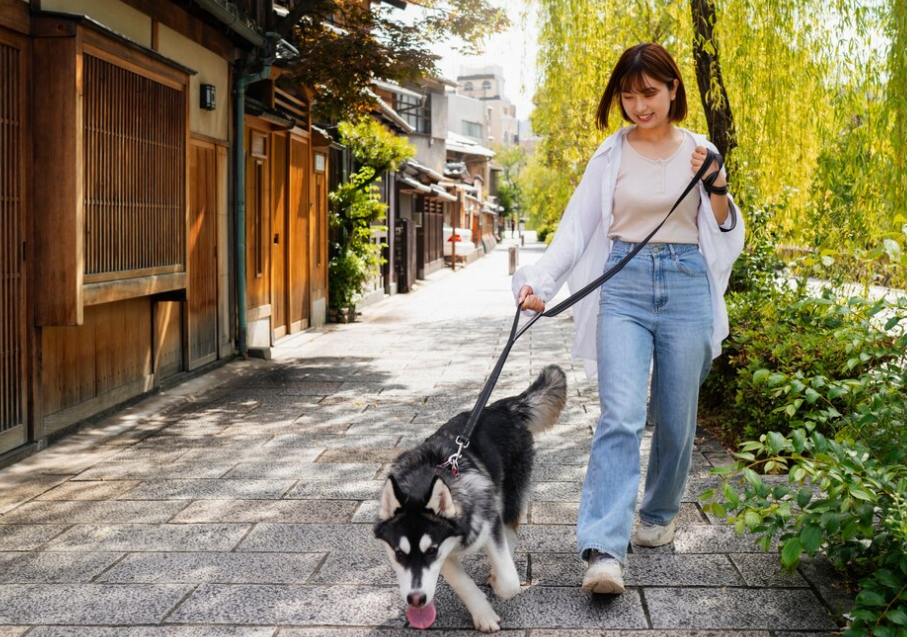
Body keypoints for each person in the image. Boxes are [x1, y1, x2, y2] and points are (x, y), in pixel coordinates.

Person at [512, 42, 745, 594]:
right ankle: (603, 551)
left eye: (650, 93)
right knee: (619, 414)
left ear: (673, 92)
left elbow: (726, 234)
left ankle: (658, 516)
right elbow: (577, 228)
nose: (640, 105)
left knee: (676, 417)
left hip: (688, 284)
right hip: (623, 284)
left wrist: (717, 186)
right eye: (629, 94)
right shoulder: (610, 154)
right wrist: (539, 286)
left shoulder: (700, 149)